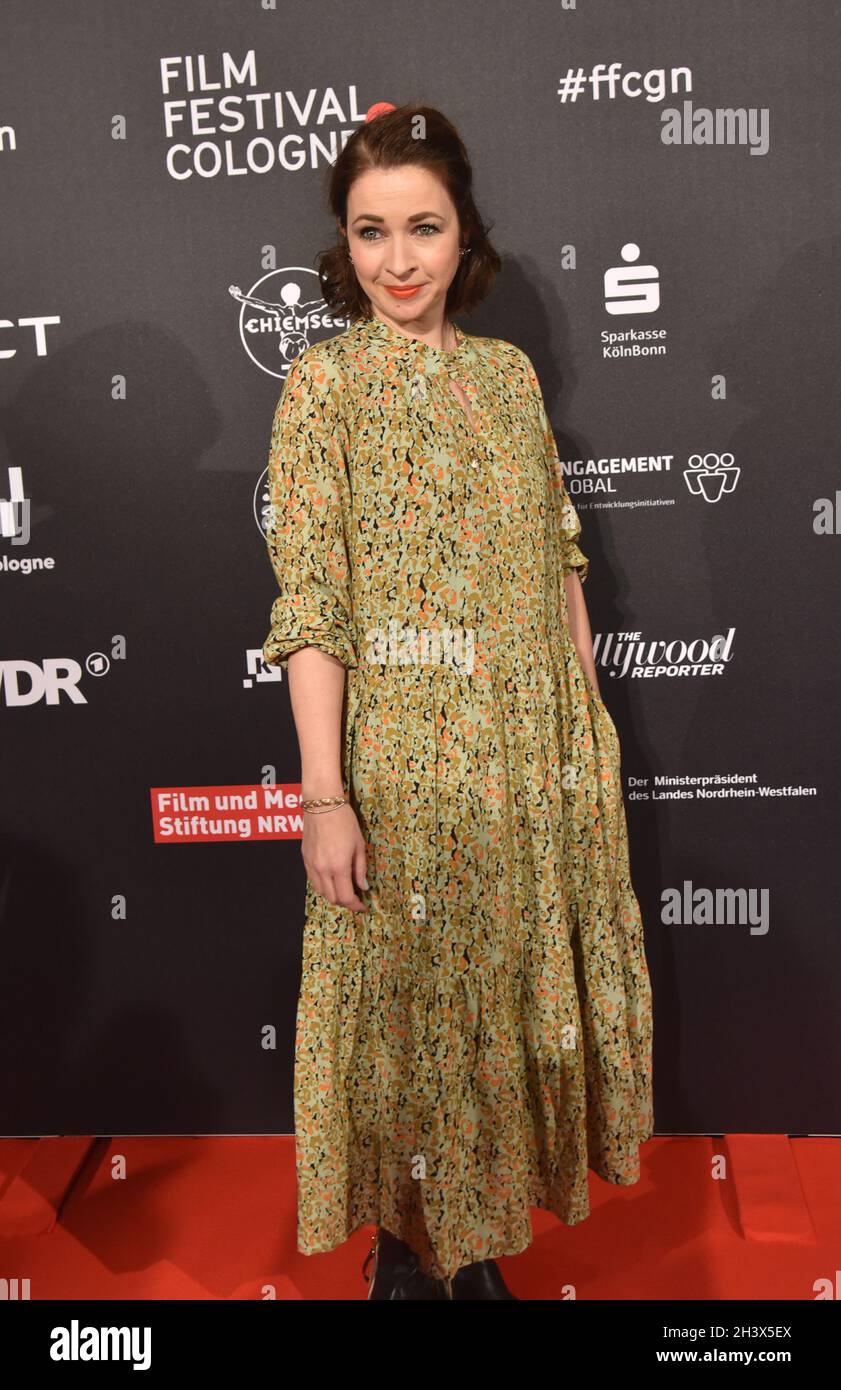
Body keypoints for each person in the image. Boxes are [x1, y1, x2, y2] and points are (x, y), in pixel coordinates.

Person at [262, 102, 654, 1301]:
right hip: (406, 768)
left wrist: (583, 741)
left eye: (421, 227)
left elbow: (560, 564)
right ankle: (406, 1253)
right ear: (343, 241)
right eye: (370, 231)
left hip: (531, 765)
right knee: (411, 1027)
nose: (397, 259)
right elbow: (313, 604)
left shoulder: (506, 378)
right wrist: (324, 795)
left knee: (498, 1015)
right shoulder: (322, 385)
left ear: (461, 231)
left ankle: (473, 1247)